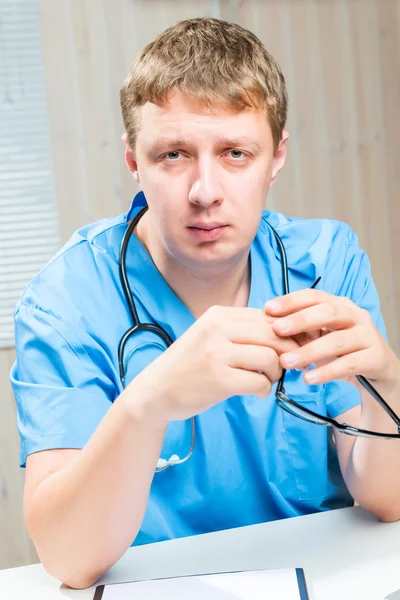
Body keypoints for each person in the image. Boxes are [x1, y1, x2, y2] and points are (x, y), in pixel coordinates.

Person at [10, 17, 400, 590]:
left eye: (237, 153)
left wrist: (388, 383)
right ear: (132, 162)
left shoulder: (323, 262)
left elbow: (387, 500)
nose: (206, 190)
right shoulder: (66, 302)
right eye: (173, 155)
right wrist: (148, 402)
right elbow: (69, 560)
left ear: (277, 157)